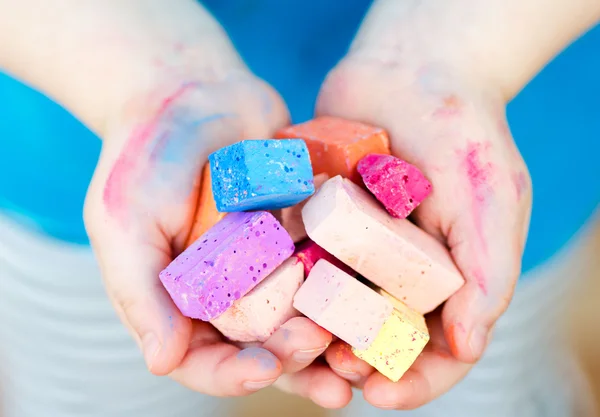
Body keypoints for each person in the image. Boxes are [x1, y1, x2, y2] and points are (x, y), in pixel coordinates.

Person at [0, 0, 598, 416]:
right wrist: (137, 82)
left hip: (511, 101)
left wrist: (461, 61)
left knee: (482, 391)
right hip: (72, 135)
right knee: (99, 393)